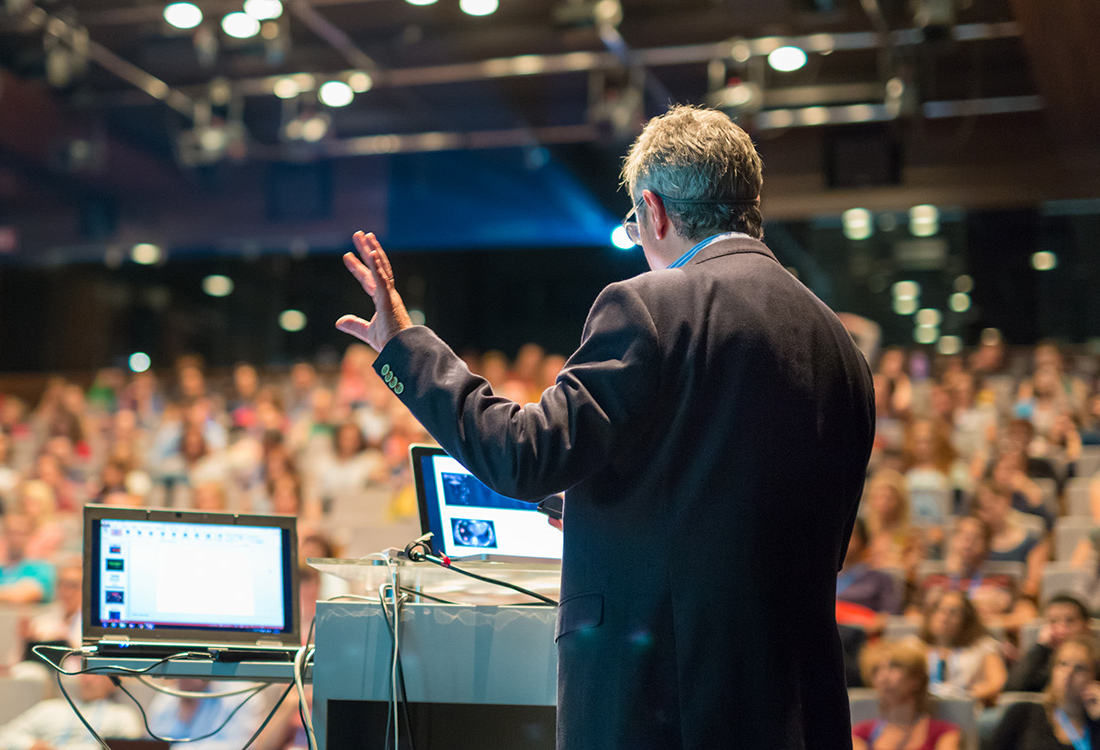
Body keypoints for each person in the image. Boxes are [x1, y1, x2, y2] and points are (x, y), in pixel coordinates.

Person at [334, 104, 876, 748]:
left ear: (654, 211)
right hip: (799, 710)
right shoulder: (838, 343)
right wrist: (610, 512)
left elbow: (522, 456)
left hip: (662, 704)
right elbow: (764, 522)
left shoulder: (651, 303)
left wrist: (404, 346)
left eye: (634, 223)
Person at [991, 635, 1100, 750]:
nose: (1069, 672)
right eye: (1063, 664)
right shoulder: (1022, 714)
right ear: (1052, 671)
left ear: (1095, 678)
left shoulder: (1096, 724)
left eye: (1079, 668)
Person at [851, 640, 961, 750]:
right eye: (876, 670)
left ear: (916, 679)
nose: (883, 677)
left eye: (894, 667)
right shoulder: (861, 733)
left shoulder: (943, 732)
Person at [0, 673, 142, 750]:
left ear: (114, 681)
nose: (88, 679)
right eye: (85, 672)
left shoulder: (122, 715)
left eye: (96, 674)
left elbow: (133, 747)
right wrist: (30, 745)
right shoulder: (50, 709)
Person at [905, 590, 1007, 705]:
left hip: (965, 706)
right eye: (939, 610)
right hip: (922, 707)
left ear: (966, 619)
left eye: (952, 612)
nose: (944, 617)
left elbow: (997, 682)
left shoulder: (983, 646)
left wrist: (970, 697)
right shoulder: (913, 646)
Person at [1007, 596, 1092, 693]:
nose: (1061, 629)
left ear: (1086, 625)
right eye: (1053, 621)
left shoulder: (1095, 657)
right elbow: (1013, 688)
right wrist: (1040, 646)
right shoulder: (1042, 656)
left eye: (1070, 621)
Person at [0, 514, 55, 604]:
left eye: (21, 533)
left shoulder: (40, 568)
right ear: (3, 534)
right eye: (12, 532)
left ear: (30, 537)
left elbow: (24, 594)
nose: (16, 538)